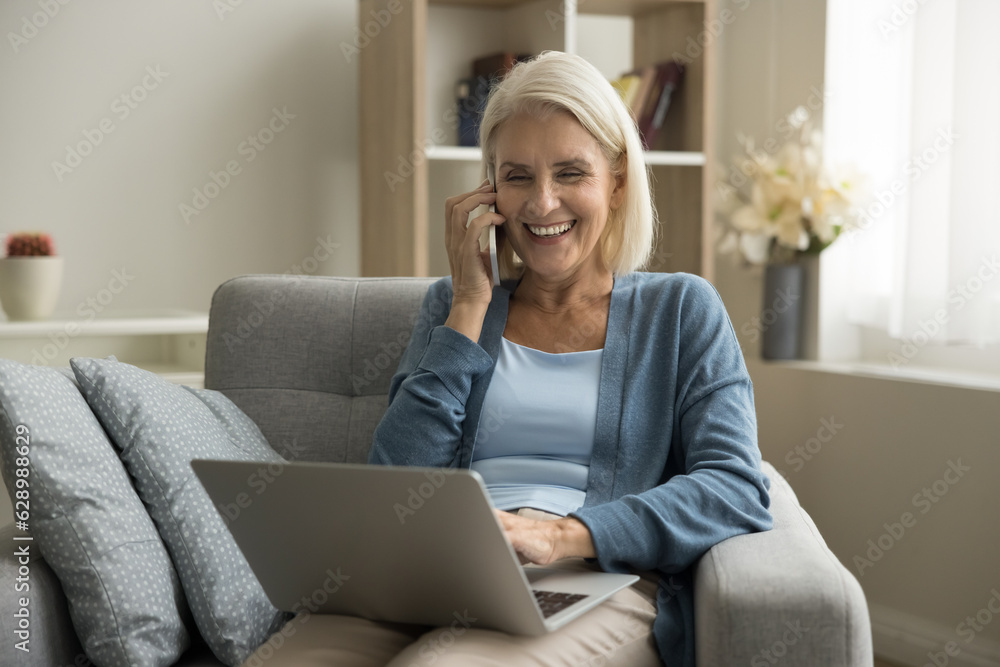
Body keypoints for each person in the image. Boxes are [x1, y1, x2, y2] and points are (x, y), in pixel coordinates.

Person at [243, 50, 772, 667]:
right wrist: (469, 305)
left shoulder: (681, 310)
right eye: (518, 177)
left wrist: (558, 535)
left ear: (618, 179)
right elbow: (396, 485)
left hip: (585, 578)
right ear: (488, 188)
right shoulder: (452, 306)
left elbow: (735, 487)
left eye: (571, 173)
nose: (542, 204)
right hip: (431, 576)